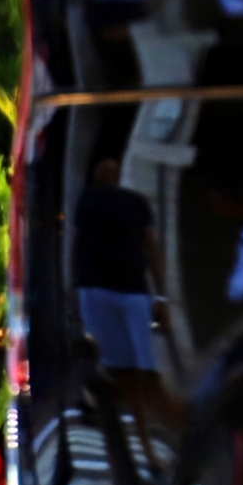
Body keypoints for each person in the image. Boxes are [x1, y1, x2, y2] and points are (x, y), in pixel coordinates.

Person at [73, 156, 164, 415]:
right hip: (97, 287)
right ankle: (108, 403)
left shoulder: (133, 202)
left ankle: (146, 406)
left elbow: (151, 245)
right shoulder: (88, 200)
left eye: (112, 167)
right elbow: (79, 242)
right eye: (104, 166)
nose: (107, 170)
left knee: (141, 356)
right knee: (104, 354)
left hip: (129, 288)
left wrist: (162, 296)